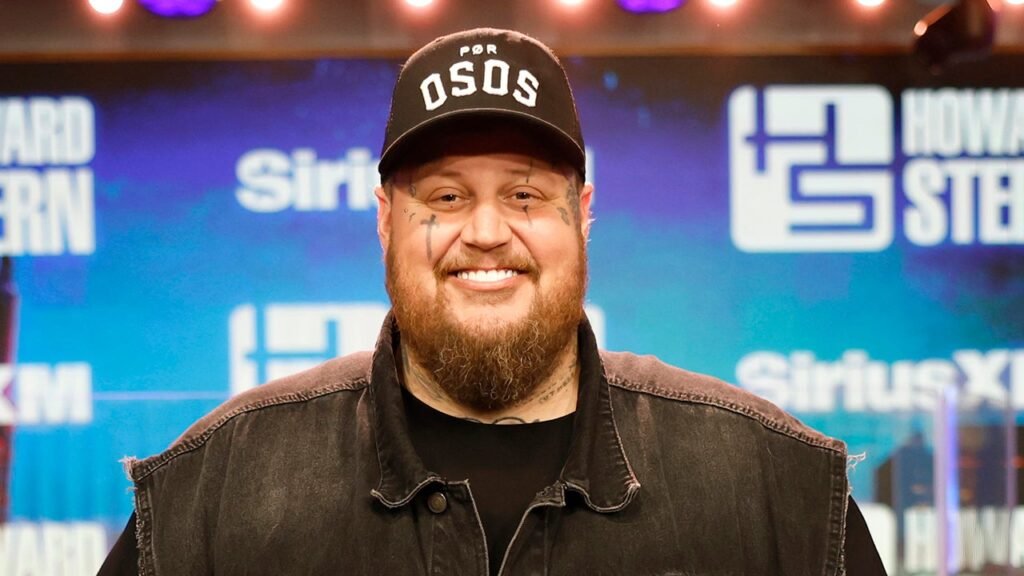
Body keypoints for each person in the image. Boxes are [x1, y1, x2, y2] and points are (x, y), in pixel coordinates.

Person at [100, 27, 886, 575]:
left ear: (582, 216)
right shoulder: (214, 493)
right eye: (446, 196)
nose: (484, 232)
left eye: (524, 195)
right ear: (385, 221)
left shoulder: (772, 488)